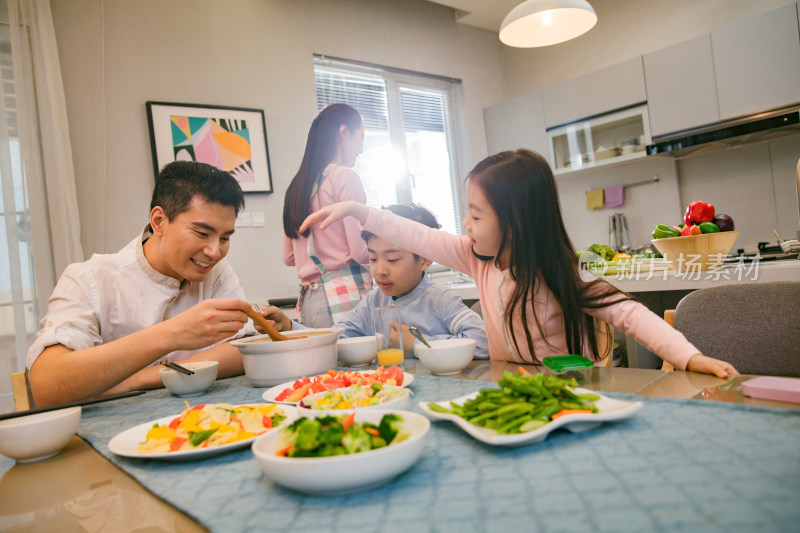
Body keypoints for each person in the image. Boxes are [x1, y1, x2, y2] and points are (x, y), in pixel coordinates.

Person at [299, 149, 739, 378]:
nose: (465, 225)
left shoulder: (560, 271)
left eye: (475, 215)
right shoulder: (476, 259)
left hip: (570, 391)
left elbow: (631, 315)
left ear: (515, 221)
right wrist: (359, 209)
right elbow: (417, 234)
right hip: (512, 387)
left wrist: (689, 357)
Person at [26, 161, 281, 406]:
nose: (214, 251)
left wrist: (137, 379)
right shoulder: (89, 279)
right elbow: (46, 388)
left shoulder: (216, 273)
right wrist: (172, 334)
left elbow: (244, 348)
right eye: (202, 233)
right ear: (159, 221)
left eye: (225, 238)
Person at [334, 203, 489, 359]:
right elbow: (337, 337)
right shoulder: (373, 302)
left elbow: (483, 343)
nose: (380, 270)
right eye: (373, 258)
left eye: (392, 259)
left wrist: (417, 344)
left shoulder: (440, 300)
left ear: (425, 260)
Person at [282, 103, 372, 328]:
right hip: (344, 296)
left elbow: (289, 257)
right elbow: (360, 253)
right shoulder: (344, 177)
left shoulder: (297, 185)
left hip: (308, 300)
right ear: (344, 132)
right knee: (359, 364)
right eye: (361, 137)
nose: (362, 148)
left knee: (321, 364)